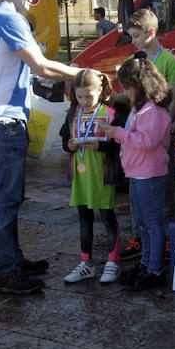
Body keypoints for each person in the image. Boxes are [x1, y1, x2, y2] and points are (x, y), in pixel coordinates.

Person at [0, 0, 86, 294]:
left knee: (7, 197)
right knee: (5, 200)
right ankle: (6, 273)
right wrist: (83, 73)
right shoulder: (9, 18)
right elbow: (42, 65)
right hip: (2, 121)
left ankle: (13, 260)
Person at [102, 53, 172, 290]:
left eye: (128, 87)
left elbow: (146, 141)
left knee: (152, 223)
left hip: (149, 174)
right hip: (138, 172)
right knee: (143, 223)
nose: (126, 92)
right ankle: (146, 263)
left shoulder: (152, 111)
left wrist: (117, 134)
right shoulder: (140, 109)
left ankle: (154, 268)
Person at [118, 8, 175, 262]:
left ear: (150, 32)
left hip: (159, 133)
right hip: (138, 135)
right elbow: (131, 94)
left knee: (164, 192)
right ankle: (141, 239)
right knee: (138, 195)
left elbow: (174, 99)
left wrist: (169, 126)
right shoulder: (136, 59)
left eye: (135, 36)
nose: (132, 41)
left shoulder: (169, 61)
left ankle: (166, 240)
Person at [59, 70, 125, 284]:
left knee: (107, 217)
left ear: (100, 91)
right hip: (80, 175)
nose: (84, 101)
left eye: (89, 96)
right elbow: (65, 140)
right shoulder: (73, 113)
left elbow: (120, 143)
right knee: (83, 217)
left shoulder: (111, 114)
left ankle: (112, 262)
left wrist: (101, 146)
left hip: (103, 174)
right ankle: (86, 263)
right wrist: (69, 146)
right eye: (80, 97)